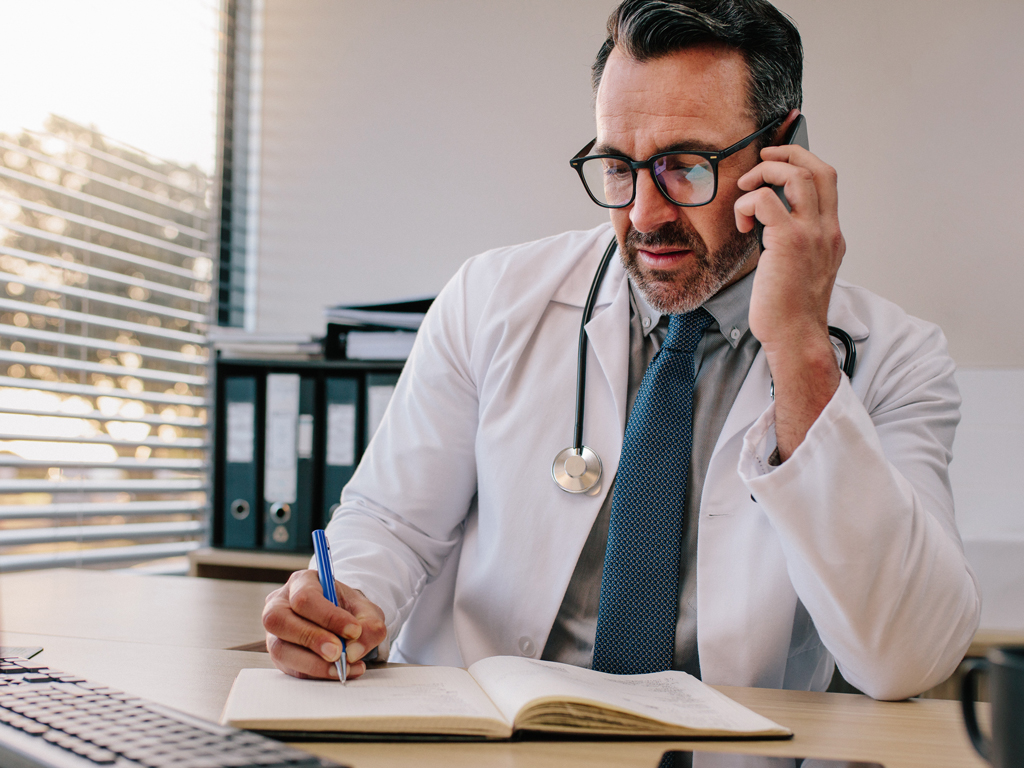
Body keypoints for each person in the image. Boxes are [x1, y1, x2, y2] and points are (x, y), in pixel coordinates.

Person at [262, 0, 980, 700]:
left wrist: (800, 350)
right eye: (617, 166)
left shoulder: (893, 359)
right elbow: (393, 525)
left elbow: (907, 657)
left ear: (781, 150)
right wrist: (345, 602)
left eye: (685, 165)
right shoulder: (492, 297)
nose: (643, 213)